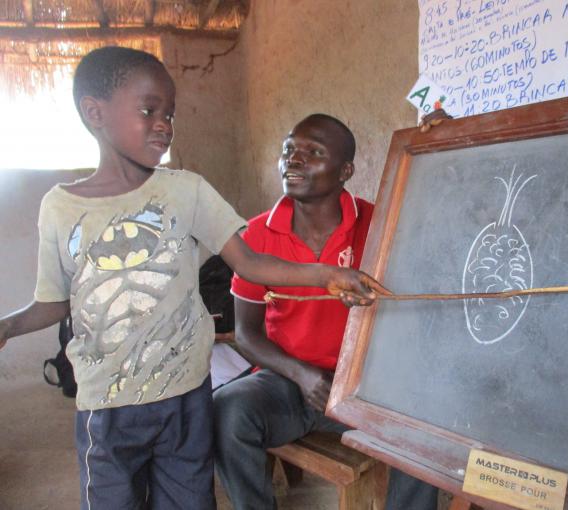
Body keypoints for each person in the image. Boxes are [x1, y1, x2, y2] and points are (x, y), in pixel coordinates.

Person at [0, 47, 383, 510]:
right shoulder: (61, 208)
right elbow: (55, 302)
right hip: (108, 402)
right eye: (149, 110)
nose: (164, 123)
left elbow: (250, 263)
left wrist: (326, 274)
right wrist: (8, 326)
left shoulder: (187, 191)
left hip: (184, 396)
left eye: (170, 114)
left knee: (189, 501)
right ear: (95, 113)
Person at [213, 113, 439, 510]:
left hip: (367, 386)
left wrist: (442, 147)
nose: (294, 160)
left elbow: (439, 222)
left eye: (313, 152)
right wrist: (302, 374)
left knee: (423, 423)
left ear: (345, 170)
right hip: (286, 380)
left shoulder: (379, 222)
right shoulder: (257, 234)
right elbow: (247, 335)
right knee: (227, 412)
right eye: (288, 151)